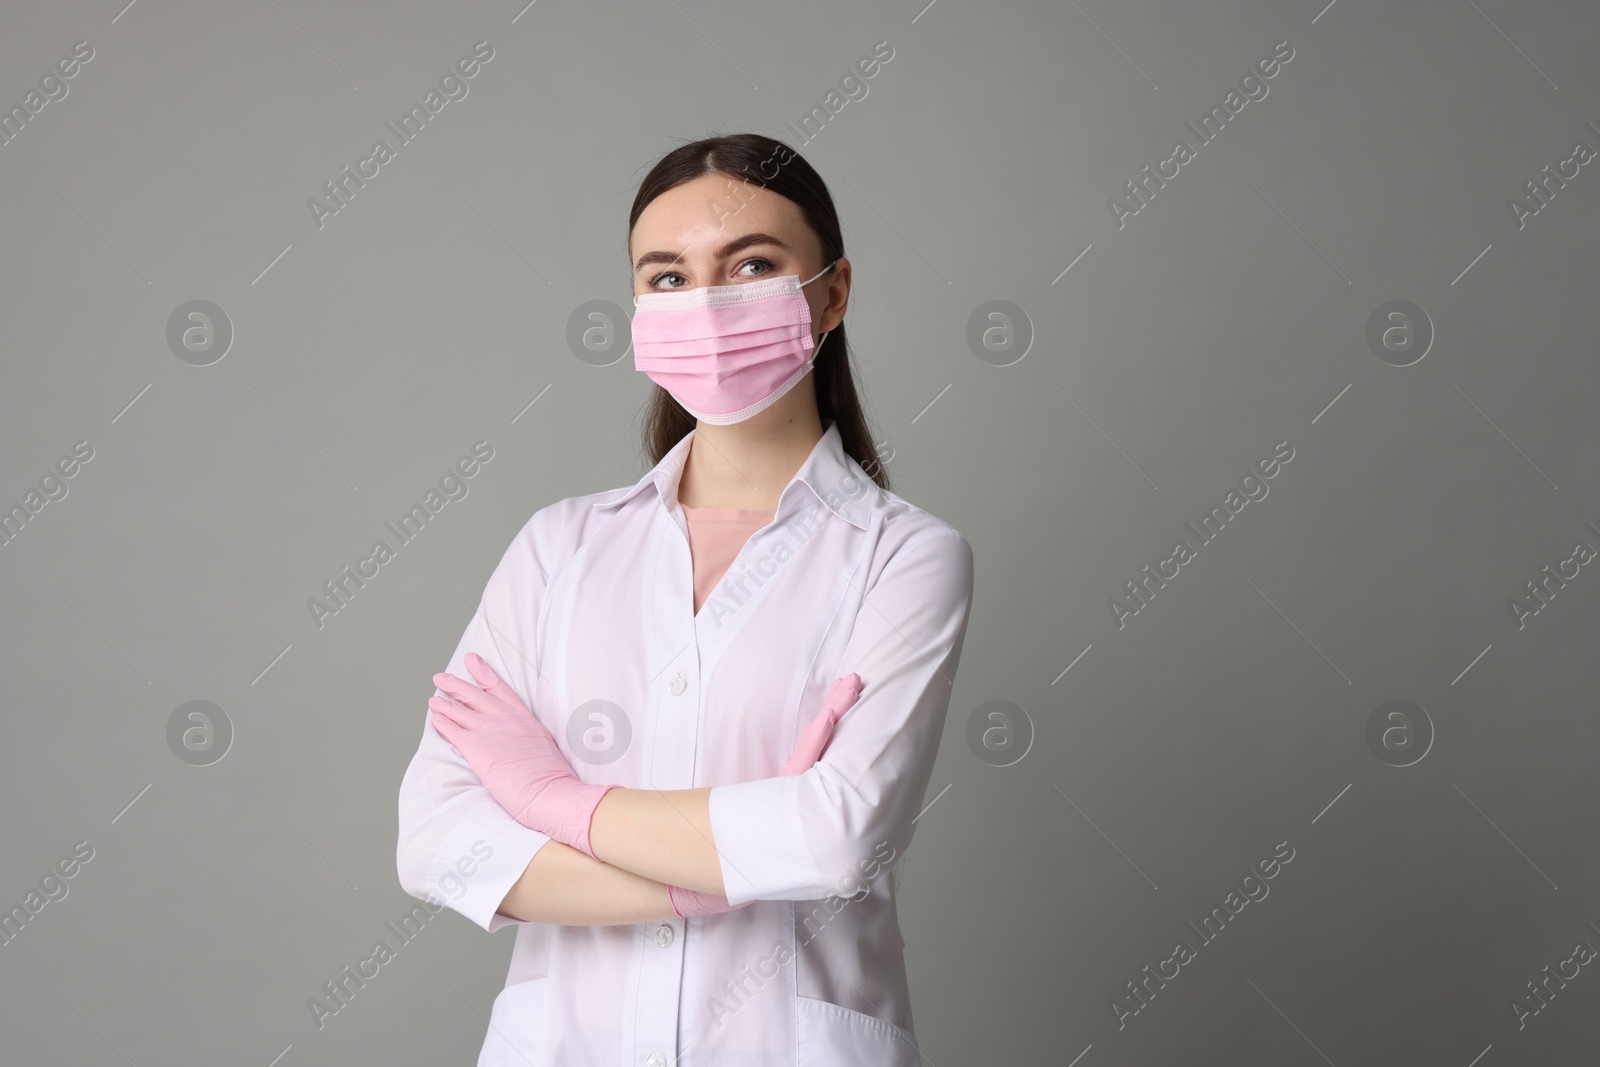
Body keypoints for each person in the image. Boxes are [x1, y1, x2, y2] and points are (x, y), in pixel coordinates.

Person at [396, 132, 975, 1066]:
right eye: (667, 277)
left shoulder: (904, 556)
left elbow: (835, 837)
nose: (704, 305)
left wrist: (547, 796)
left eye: (750, 264)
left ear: (831, 291)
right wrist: (712, 875)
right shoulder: (558, 548)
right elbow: (435, 841)